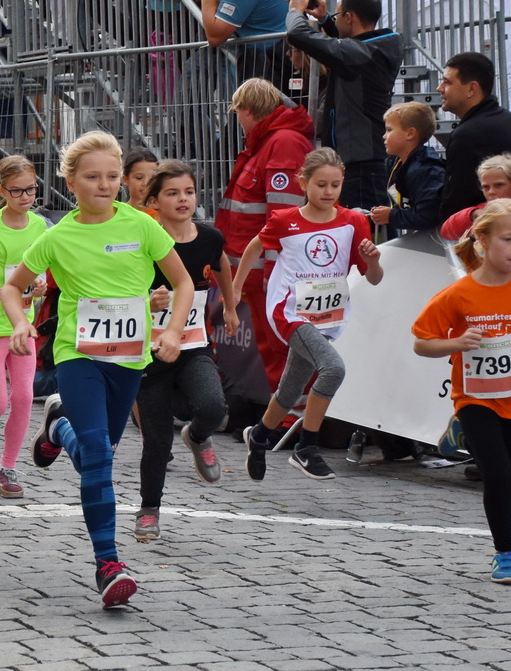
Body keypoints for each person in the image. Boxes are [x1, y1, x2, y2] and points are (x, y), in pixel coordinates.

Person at [5, 132, 194, 607]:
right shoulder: (58, 237)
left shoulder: (143, 225)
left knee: (97, 449)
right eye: (92, 177)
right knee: (100, 454)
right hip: (79, 355)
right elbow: (13, 287)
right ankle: (108, 564)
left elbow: (184, 281)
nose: (105, 184)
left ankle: (56, 428)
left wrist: (171, 331)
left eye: (113, 176)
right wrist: (19, 324)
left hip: (129, 360)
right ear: (71, 182)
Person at [413, 199, 511, 584]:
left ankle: (458, 434)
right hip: (475, 398)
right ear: (482, 239)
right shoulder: (458, 295)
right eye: (508, 239)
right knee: (496, 476)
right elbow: (422, 342)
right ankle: (506, 554)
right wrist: (457, 343)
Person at [230, 148, 384, 481]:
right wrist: (237, 287)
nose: (328, 193)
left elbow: (373, 278)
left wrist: (372, 259)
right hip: (289, 311)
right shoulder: (285, 220)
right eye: (321, 185)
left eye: (335, 185)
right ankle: (307, 448)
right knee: (333, 369)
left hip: (329, 316)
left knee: (291, 388)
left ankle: (258, 436)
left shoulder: (354, 222)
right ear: (303, 183)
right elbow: (255, 246)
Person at [134, 160, 232, 540]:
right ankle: (149, 509)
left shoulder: (209, 238)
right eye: (172, 193)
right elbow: (122, 289)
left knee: (213, 407)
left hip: (193, 345)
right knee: (156, 441)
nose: (183, 199)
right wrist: (148, 301)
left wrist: (231, 305)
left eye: (189, 192)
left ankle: (198, 436)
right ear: (154, 202)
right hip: (149, 352)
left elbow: (221, 265)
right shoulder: (144, 243)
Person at [213, 78, 311, 390]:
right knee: (275, 349)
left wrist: (272, 268)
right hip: (256, 269)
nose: (237, 120)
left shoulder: (282, 143)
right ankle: (285, 419)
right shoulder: (270, 142)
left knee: (281, 349)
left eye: (238, 112)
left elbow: (283, 215)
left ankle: (289, 422)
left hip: (267, 272)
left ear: (248, 110)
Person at [0, 155, 49, 500]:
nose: (25, 197)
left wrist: (42, 284)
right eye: (16, 191)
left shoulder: (40, 226)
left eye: (30, 189)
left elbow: (39, 267)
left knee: (25, 395)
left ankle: (8, 466)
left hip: (23, 324)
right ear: (1, 190)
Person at [283, 0, 402, 209]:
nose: (335, 20)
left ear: (349, 17)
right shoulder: (377, 47)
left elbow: (298, 35)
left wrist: (295, 11)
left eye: (338, 16)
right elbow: (346, 44)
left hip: (361, 162)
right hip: (364, 156)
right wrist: (326, 19)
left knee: (366, 231)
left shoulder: (359, 54)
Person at [437, 51, 511, 217]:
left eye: (447, 82)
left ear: (471, 89)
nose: (439, 88)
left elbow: (455, 203)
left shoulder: (469, 134)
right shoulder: (503, 118)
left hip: (489, 231)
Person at [370, 102, 446, 234]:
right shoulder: (395, 162)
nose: (384, 136)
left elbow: (426, 217)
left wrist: (391, 216)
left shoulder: (428, 170)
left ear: (410, 134)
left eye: (389, 130)